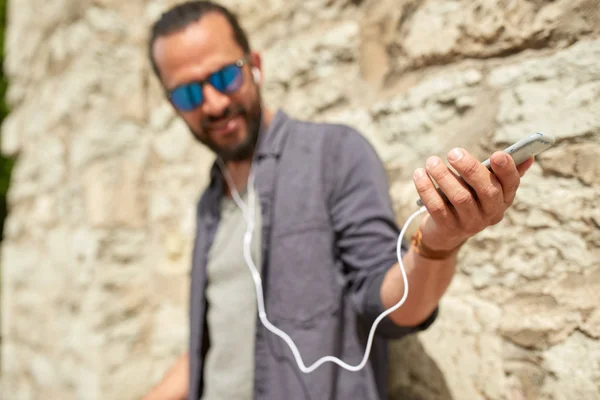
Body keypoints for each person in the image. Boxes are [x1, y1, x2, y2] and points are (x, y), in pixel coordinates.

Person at [142, 2, 534, 400]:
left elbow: (394, 307)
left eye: (225, 76)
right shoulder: (209, 203)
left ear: (255, 65)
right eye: (189, 94)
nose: (213, 103)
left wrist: (439, 242)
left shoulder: (335, 154)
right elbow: (215, 346)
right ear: (174, 105)